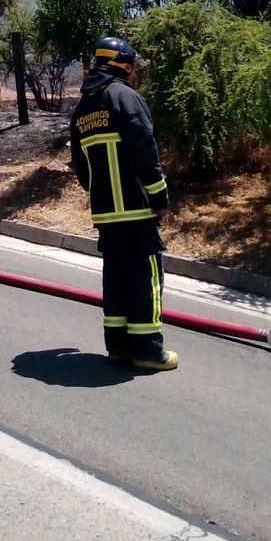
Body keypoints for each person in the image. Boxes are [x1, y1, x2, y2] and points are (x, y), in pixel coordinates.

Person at [69, 37, 178, 371]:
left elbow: (81, 169)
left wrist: (101, 195)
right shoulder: (126, 98)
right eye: (133, 69)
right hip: (137, 210)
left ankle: (117, 347)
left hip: (105, 214)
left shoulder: (83, 108)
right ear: (124, 67)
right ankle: (147, 350)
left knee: (116, 278)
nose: (135, 75)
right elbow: (145, 152)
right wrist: (160, 198)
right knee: (146, 278)